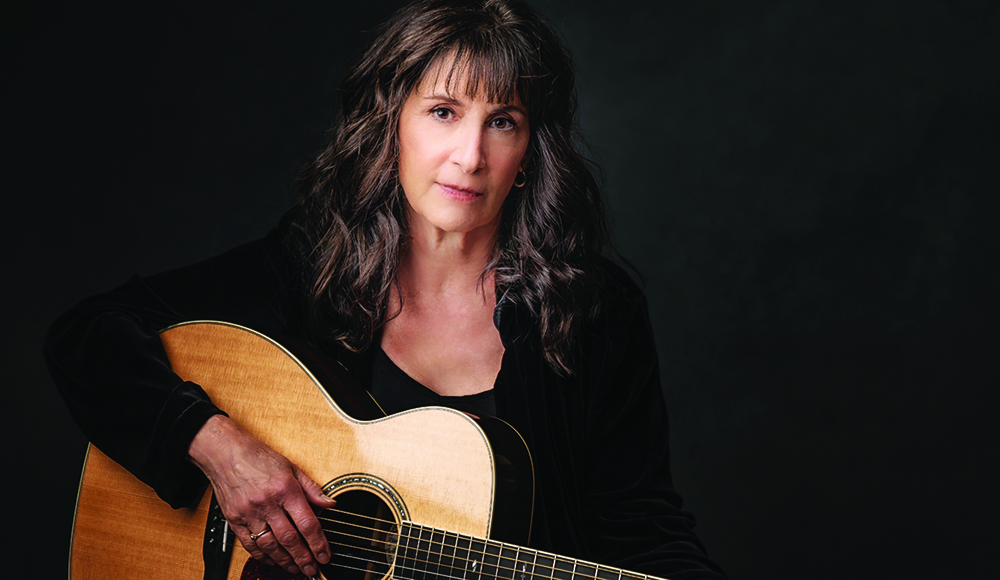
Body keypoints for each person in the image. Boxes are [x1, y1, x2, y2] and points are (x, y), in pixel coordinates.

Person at [45, 1, 727, 579]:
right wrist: (220, 449)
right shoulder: (310, 265)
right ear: (392, 123)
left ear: (528, 154)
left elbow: (640, 523)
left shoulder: (592, 310)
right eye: (443, 112)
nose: (470, 156)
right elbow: (86, 336)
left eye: (502, 122)